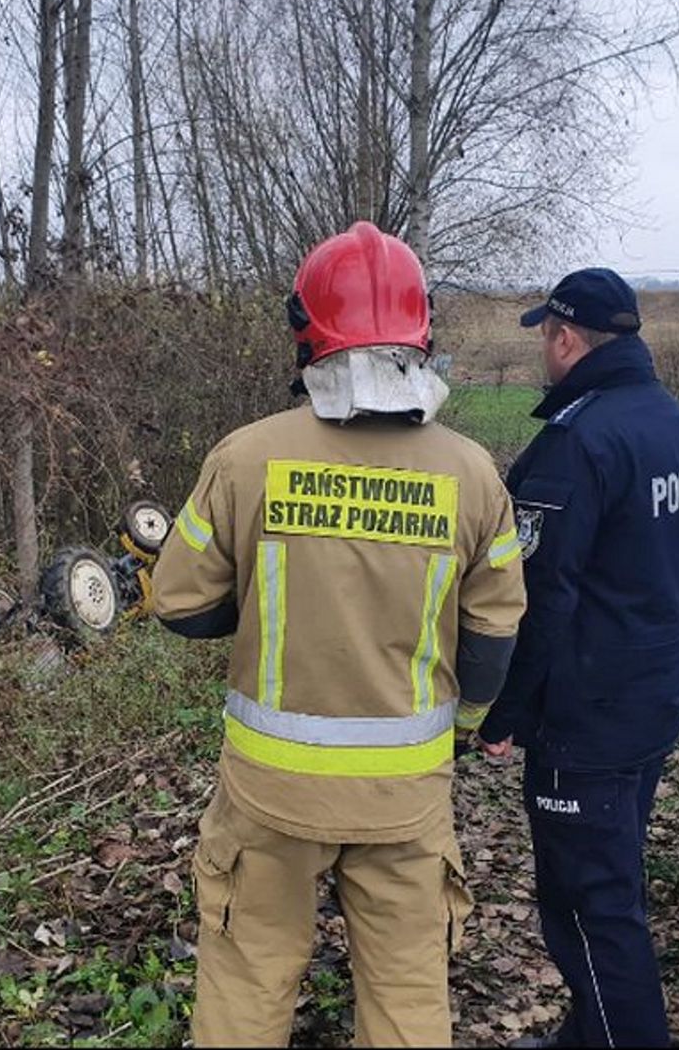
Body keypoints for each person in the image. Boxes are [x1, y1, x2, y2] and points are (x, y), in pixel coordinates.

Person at [152, 221, 527, 1047]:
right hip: (405, 795)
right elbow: (495, 633)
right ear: (421, 330)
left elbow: (179, 606)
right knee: (405, 991)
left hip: (268, 794)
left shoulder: (245, 458)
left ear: (304, 331)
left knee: (248, 981)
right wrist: (461, 733)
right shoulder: (470, 473)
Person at [477, 268, 679, 1049]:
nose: (545, 348)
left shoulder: (577, 443)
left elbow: (538, 596)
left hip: (590, 713)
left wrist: (503, 711)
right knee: (608, 882)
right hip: (651, 694)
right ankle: (588, 1034)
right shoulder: (676, 425)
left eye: (546, 334)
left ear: (567, 338)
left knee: (588, 908)